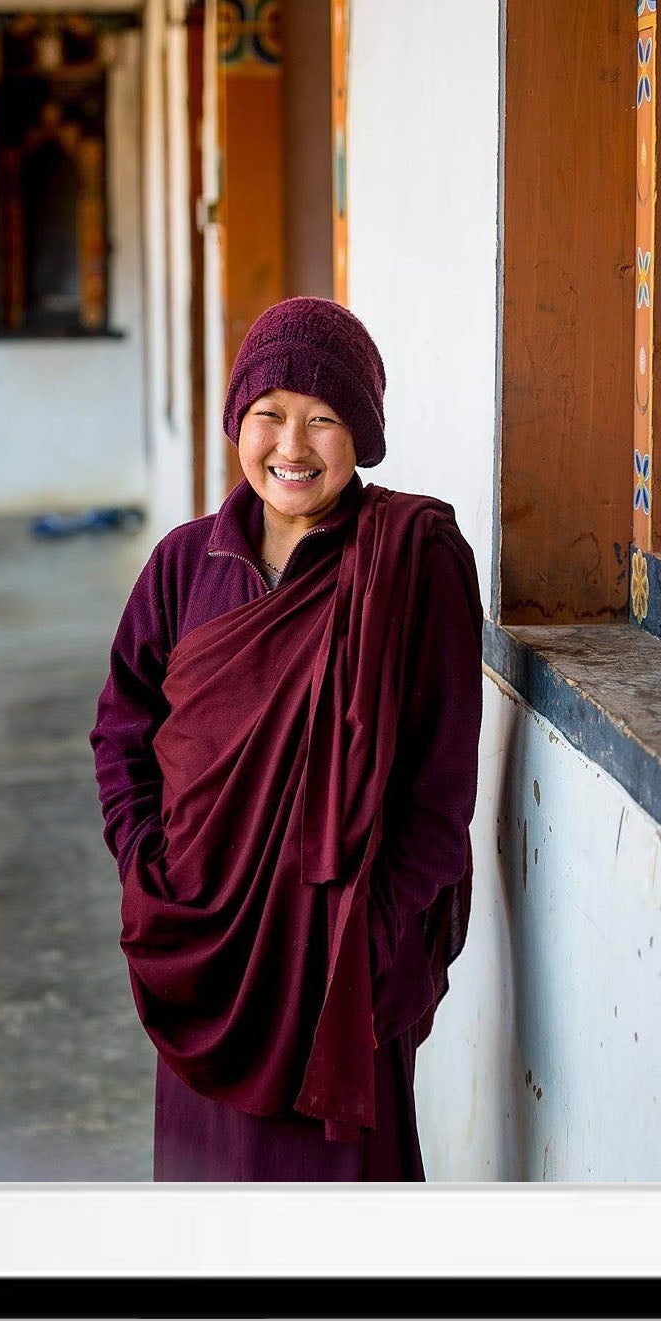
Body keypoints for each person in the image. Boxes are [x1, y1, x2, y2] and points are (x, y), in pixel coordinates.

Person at [90, 296, 483, 1181]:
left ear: (365, 433)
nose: (292, 448)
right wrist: (152, 873)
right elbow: (123, 731)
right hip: (201, 946)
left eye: (324, 418)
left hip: (341, 968)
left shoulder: (410, 564)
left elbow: (440, 787)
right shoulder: (185, 565)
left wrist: (374, 937)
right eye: (269, 415)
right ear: (238, 419)